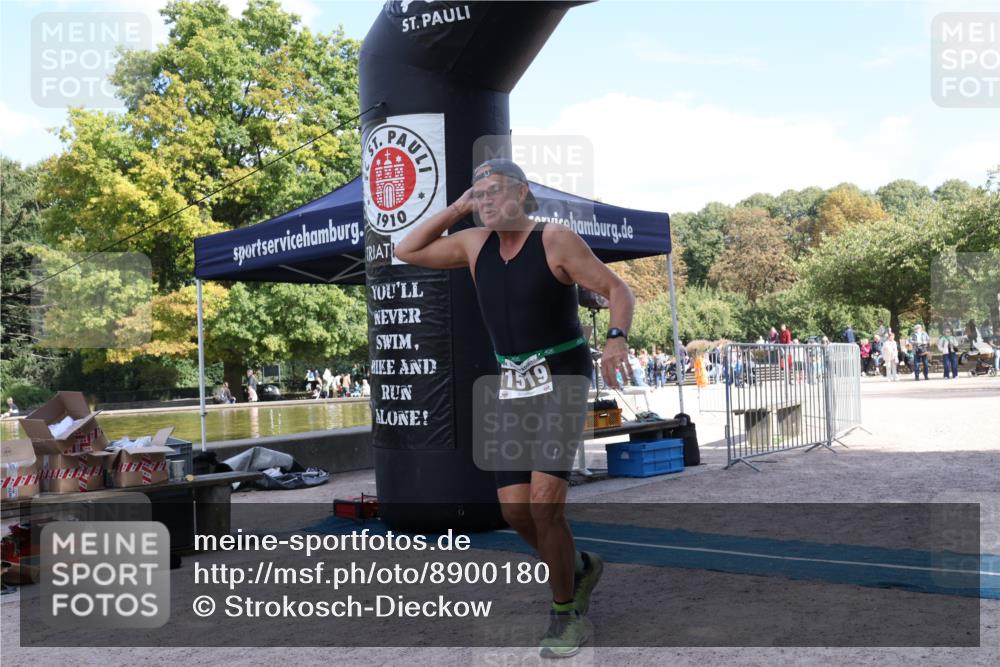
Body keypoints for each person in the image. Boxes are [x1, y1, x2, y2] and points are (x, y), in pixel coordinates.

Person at [394, 158, 634, 658]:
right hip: (513, 382)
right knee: (514, 511)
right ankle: (580, 567)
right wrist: (457, 206)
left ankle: (565, 613)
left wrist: (616, 340)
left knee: (546, 502)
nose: (485, 201)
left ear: (522, 194)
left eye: (495, 191)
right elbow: (406, 248)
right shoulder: (474, 244)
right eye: (478, 194)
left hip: (562, 377)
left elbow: (616, 288)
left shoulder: (555, 240)